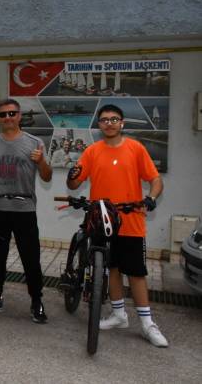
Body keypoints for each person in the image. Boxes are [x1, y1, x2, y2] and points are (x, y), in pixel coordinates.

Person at [67, 104, 168, 347]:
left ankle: (147, 324)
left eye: (114, 119)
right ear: (99, 124)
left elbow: (155, 180)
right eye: (104, 120)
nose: (109, 123)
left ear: (122, 123)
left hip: (130, 219)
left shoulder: (135, 148)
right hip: (101, 219)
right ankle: (119, 314)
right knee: (110, 268)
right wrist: (72, 175)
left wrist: (150, 199)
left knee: (135, 272)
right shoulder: (92, 151)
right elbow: (73, 184)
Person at [0, 99, 52, 323]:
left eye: (12, 113)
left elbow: (47, 177)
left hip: (24, 209)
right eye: (3, 115)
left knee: (31, 258)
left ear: (19, 116)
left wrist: (40, 162)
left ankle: (36, 301)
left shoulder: (34, 142)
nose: (7, 118)